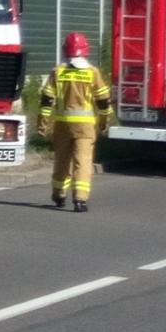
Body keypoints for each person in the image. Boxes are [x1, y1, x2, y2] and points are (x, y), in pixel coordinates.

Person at [37, 32, 112, 212]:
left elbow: (46, 101)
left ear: (65, 50)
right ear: (85, 50)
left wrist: (42, 125)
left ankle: (59, 194)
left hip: (62, 125)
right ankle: (80, 199)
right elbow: (103, 101)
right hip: (85, 127)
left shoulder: (58, 71)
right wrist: (104, 122)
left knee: (61, 160)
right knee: (82, 161)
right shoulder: (92, 72)